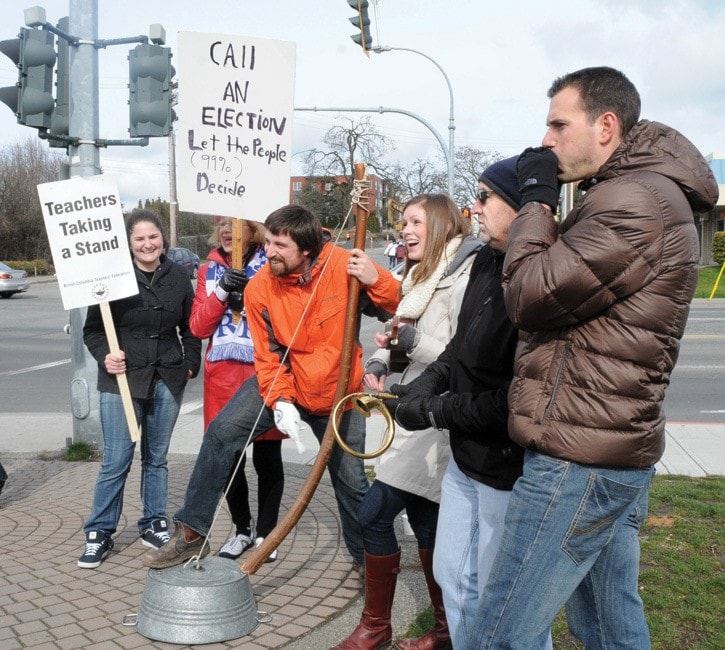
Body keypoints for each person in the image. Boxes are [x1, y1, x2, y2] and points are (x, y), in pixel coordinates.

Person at [464, 67, 719, 649]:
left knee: (500, 634)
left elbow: (530, 295)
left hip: (578, 462)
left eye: (558, 124)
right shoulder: (636, 192)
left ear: (606, 126)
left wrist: (534, 202)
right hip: (604, 450)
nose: (546, 140)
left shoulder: (635, 200)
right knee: (607, 627)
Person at [142, 204, 399, 570]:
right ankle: (192, 532)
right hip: (286, 381)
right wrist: (280, 400)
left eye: (280, 246)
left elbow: (397, 307)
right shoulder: (261, 285)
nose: (270, 252)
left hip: (339, 392)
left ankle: (367, 563)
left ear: (307, 249)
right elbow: (268, 355)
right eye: (270, 242)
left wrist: (376, 279)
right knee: (220, 434)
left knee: (352, 483)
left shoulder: (344, 266)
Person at [382, 159, 554, 650]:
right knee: (454, 578)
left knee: (510, 604)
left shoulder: (541, 278)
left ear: (521, 208)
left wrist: (435, 411)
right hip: (466, 460)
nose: (473, 209)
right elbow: (461, 346)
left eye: (484, 198)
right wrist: (424, 386)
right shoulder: (484, 259)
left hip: (510, 469)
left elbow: (515, 398)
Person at [334, 194, 481, 650]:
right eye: (403, 222)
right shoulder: (421, 276)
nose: (406, 230)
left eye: (415, 221)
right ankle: (444, 631)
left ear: (439, 226)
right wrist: (379, 360)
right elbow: (401, 327)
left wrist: (411, 340)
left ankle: (376, 628)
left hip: (436, 421)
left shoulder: (465, 278)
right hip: (411, 415)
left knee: (373, 513)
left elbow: (465, 362)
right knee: (427, 526)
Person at [78, 209, 202, 569]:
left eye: (153, 237)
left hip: (167, 377)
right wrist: (105, 357)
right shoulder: (113, 278)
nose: (148, 244)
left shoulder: (179, 277)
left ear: (162, 238)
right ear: (128, 242)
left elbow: (190, 328)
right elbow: (93, 330)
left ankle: (153, 522)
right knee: (117, 459)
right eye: (139, 238)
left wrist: (190, 363)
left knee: (157, 458)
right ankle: (99, 532)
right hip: (122, 379)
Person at [190, 216, 286, 562]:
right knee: (229, 459)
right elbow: (199, 327)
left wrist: (249, 297)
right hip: (223, 377)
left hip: (263, 371)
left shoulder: (273, 265)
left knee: (267, 456)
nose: (227, 231)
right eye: (222, 226)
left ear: (253, 230)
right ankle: (242, 530)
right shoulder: (207, 271)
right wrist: (220, 293)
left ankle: (267, 534)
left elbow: (284, 320)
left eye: (236, 224)